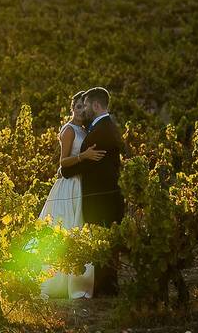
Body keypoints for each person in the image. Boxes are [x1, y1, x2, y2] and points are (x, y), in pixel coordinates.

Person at [36, 91, 105, 299]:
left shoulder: (85, 130)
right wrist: (84, 156)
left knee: (78, 227)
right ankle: (55, 281)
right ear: (72, 108)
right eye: (78, 107)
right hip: (68, 186)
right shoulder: (68, 130)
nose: (82, 111)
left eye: (84, 107)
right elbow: (63, 162)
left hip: (81, 184)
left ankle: (77, 281)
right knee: (64, 226)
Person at [60, 86, 125, 297]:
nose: (84, 109)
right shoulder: (103, 127)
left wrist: (67, 169)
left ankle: (105, 288)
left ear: (96, 105)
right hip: (101, 196)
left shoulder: (100, 131)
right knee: (103, 241)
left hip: (101, 198)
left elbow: (83, 166)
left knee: (102, 240)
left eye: (86, 104)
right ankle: (104, 286)